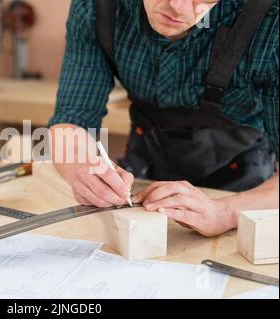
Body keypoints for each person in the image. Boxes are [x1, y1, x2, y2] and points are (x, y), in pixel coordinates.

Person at [48, 0, 279, 237]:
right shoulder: (99, 7)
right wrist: (79, 167)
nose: (177, 7)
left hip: (244, 192)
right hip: (142, 177)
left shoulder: (271, 20)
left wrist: (226, 213)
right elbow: (72, 119)